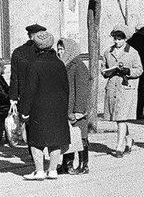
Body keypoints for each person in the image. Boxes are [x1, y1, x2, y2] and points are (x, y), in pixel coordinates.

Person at [19, 32, 70, 179]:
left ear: (36, 47)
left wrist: (24, 111)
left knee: (36, 140)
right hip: (58, 108)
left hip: (38, 109)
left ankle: (39, 171)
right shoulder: (59, 64)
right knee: (55, 140)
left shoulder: (34, 65)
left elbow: (29, 90)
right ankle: (52, 170)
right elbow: (66, 88)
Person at [102, 24, 143, 156]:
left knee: (121, 118)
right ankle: (129, 140)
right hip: (112, 88)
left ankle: (119, 147)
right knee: (118, 118)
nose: (117, 41)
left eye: (120, 39)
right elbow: (103, 69)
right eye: (115, 38)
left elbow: (139, 70)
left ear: (125, 39)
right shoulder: (107, 52)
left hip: (126, 88)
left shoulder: (133, 52)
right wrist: (107, 72)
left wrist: (128, 71)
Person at [58, 38, 90, 175]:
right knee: (68, 136)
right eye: (58, 49)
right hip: (66, 107)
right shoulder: (63, 65)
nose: (59, 52)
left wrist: (79, 111)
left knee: (81, 136)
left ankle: (83, 164)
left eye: (62, 49)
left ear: (70, 50)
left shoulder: (78, 66)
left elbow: (82, 90)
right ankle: (67, 164)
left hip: (76, 109)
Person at [8, 23, 46, 120]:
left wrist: (13, 98)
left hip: (24, 98)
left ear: (29, 35)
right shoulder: (44, 52)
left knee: (25, 124)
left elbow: (14, 77)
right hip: (42, 97)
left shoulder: (18, 52)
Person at [127, 25, 144, 120]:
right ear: (143, 31)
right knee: (142, 93)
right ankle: (139, 113)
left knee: (131, 92)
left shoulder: (128, 42)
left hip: (131, 70)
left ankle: (131, 113)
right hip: (143, 71)